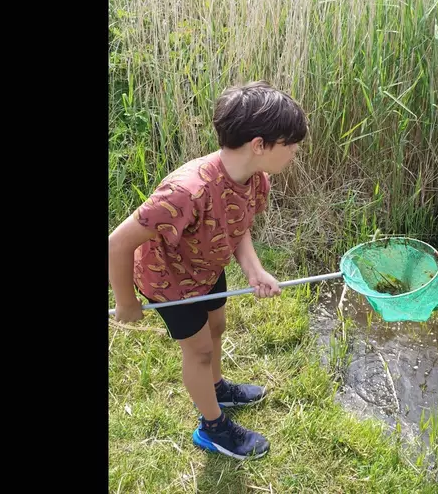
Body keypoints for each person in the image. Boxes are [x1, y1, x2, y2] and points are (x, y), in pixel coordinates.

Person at [108, 81, 307, 460]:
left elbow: (239, 225)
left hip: (206, 266)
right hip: (168, 280)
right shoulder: (186, 191)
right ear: (259, 145)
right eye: (290, 142)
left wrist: (254, 270)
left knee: (217, 327)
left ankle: (216, 388)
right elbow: (117, 243)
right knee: (198, 350)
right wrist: (125, 301)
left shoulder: (256, 178)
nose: (296, 149)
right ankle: (212, 429)